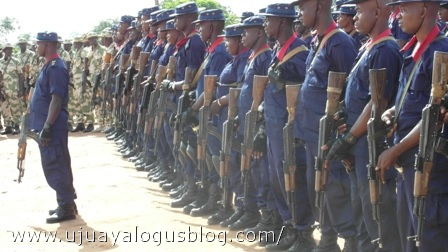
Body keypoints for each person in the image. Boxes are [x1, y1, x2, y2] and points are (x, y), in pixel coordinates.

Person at [326, 0, 402, 250]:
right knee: (361, 205)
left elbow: (376, 102)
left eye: (359, 11)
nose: (354, 17)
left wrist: (349, 138)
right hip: (358, 140)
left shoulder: (386, 50)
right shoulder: (368, 47)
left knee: (377, 210)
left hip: (370, 142)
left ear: (378, 12)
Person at [376, 0, 448, 251]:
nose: (397, 15)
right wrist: (393, 112)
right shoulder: (413, 49)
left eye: (404, 9)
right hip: (408, 162)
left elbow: (435, 117)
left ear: (425, 10)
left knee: (429, 237)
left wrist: (394, 151)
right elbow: (415, 100)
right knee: (410, 235)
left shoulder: (441, 53)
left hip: (429, 166)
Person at [292, 0, 358, 251]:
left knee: (335, 190)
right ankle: (328, 241)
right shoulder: (319, 40)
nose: (300, 13)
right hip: (311, 132)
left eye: (303, 7)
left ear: (319, 7)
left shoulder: (340, 42)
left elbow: (348, 93)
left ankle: (350, 240)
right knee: (319, 189)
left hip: (329, 135)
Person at [29, 31, 77, 223]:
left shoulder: (56, 67)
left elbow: (56, 99)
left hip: (53, 126)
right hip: (49, 125)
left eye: (38, 44)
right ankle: (66, 202)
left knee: (55, 164)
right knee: (58, 163)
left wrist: (47, 126)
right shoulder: (50, 65)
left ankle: (66, 207)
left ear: (47, 45)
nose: (36, 47)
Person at [0, 43, 24, 135]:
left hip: (14, 89)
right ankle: (8, 127)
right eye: (8, 49)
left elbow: (20, 75)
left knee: (15, 108)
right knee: (4, 108)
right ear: (4, 51)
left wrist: (21, 89)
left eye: (11, 49)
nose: (9, 51)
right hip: (3, 90)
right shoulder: (0, 61)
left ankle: (17, 126)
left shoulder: (16, 61)